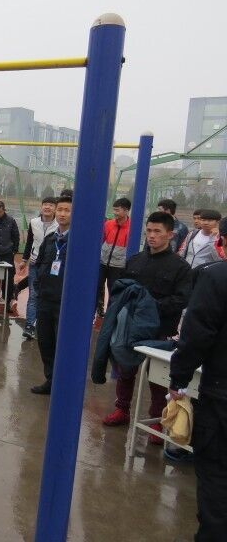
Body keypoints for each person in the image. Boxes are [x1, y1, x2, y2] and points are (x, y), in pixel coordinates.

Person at [101, 212, 192, 442]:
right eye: (149, 231)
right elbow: (120, 290)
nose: (152, 236)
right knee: (125, 370)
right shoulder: (135, 261)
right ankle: (122, 409)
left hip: (161, 330)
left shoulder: (180, 268)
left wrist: (150, 307)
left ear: (170, 234)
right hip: (130, 329)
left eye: (157, 231)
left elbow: (182, 299)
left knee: (158, 378)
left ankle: (157, 421)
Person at [169, 259, 227, 540]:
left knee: (217, 481)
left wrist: (179, 378)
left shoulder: (217, 277)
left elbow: (196, 335)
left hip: (221, 399)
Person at [30, 195, 72, 394]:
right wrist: (37, 286)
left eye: (67, 210)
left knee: (63, 344)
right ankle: (51, 380)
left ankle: (63, 383)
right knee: (45, 342)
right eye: (60, 209)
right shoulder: (50, 239)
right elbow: (39, 265)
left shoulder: (78, 241)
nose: (62, 214)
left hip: (65, 302)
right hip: (46, 299)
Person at [19, 197, 58, 339]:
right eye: (45, 204)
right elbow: (30, 242)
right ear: (41, 207)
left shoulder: (59, 224)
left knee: (50, 294)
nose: (47, 207)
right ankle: (29, 326)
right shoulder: (34, 222)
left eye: (51, 205)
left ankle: (46, 325)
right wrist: (24, 260)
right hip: (35, 263)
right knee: (33, 295)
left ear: (55, 208)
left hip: (53, 264)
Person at [96, 197, 131, 317]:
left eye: (117, 210)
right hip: (103, 262)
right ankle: (97, 310)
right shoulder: (108, 224)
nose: (115, 213)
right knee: (97, 287)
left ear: (126, 211)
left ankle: (111, 315)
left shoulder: (131, 228)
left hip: (118, 266)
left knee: (114, 291)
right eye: (114, 210)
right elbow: (102, 240)